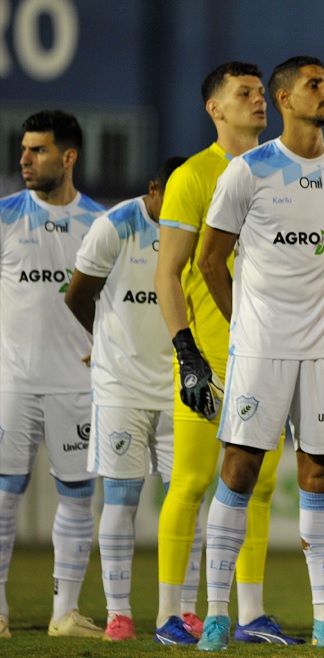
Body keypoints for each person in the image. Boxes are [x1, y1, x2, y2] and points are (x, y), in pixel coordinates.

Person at [195, 55, 324, 651]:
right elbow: (209, 260)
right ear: (285, 98)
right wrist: (244, 323)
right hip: (261, 349)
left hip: (323, 353)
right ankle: (218, 613)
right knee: (239, 471)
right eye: (315, 85)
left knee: (321, 474)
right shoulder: (249, 171)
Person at [153, 61, 299, 646]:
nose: (258, 102)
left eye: (261, 93)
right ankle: (169, 615)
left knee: (258, 488)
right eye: (244, 94)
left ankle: (251, 616)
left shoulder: (285, 172)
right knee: (190, 483)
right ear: (215, 109)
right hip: (210, 361)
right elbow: (168, 274)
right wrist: (185, 351)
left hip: (269, 358)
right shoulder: (194, 176)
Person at [64, 155, 192, 641]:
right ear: (154, 187)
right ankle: (119, 613)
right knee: (121, 497)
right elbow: (78, 295)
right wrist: (102, 344)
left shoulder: (197, 229)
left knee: (186, 498)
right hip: (121, 385)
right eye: (174, 194)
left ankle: (180, 611)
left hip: (181, 387)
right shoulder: (115, 225)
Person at [0, 110, 106, 639]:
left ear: (68, 157)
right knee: (4, 493)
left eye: (37, 150)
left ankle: (65, 613)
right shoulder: (4, 216)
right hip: (13, 384)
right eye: (23, 149)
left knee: (77, 495)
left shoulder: (100, 223)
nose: (24, 158)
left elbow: (116, 304)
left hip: (77, 385)